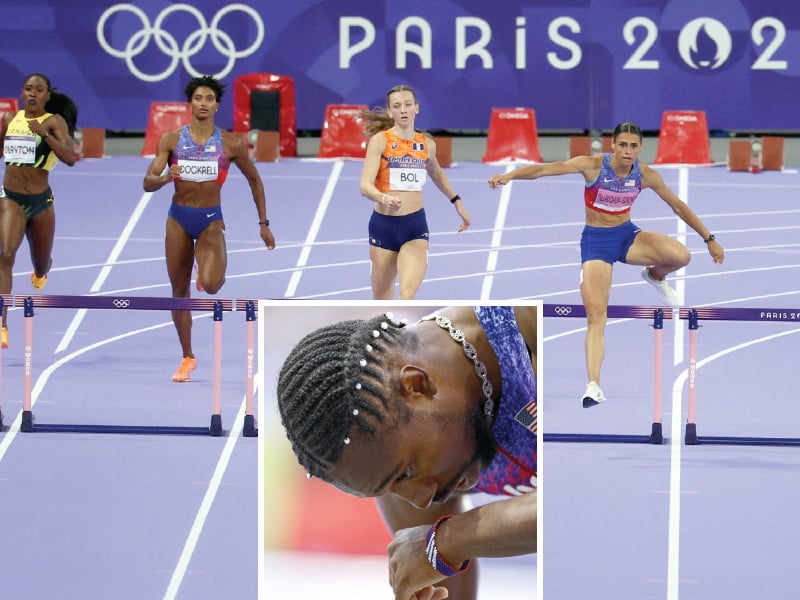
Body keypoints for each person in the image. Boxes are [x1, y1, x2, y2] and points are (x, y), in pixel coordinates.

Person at [277, 305, 537, 600]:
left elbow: (581, 496)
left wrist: (448, 540)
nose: (422, 500)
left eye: (407, 472)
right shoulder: (392, 461)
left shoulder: (528, 326)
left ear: (416, 384)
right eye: (391, 487)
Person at [488, 121, 725, 408]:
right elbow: (542, 170)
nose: (628, 151)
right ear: (613, 145)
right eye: (622, 145)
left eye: (633, 146)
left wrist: (708, 238)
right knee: (597, 316)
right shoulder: (591, 166)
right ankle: (593, 385)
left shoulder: (645, 175)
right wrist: (509, 175)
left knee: (681, 256)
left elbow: (677, 206)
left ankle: (655, 276)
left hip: (627, 236)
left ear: (640, 148)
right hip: (596, 243)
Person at [143, 75, 275, 382]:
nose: (203, 104)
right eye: (198, 98)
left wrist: (263, 224)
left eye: (208, 99)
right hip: (178, 219)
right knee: (179, 292)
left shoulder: (230, 143)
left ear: (217, 105)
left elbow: (255, 179)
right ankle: (187, 357)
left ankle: (205, 272)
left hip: (210, 221)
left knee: (213, 285)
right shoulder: (171, 140)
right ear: (190, 103)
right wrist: (165, 177)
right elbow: (147, 183)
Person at [358, 85, 472, 300]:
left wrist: (457, 202)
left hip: (415, 227)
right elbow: (364, 186)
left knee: (407, 296)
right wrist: (383, 197)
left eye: (408, 105)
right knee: (382, 301)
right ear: (390, 112)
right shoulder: (380, 141)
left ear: (416, 109)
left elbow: (437, 174)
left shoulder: (427, 145)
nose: (403, 110)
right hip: (384, 226)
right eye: (397, 106)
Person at [0, 73, 78, 349]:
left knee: (41, 262)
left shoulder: (53, 122)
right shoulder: (10, 119)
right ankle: (2, 323)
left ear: (47, 95)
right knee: (5, 255)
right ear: (22, 92)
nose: (33, 93)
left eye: (39, 89)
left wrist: (44, 134)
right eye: (28, 88)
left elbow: (70, 158)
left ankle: (41, 272)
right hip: (10, 199)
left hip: (41, 203)